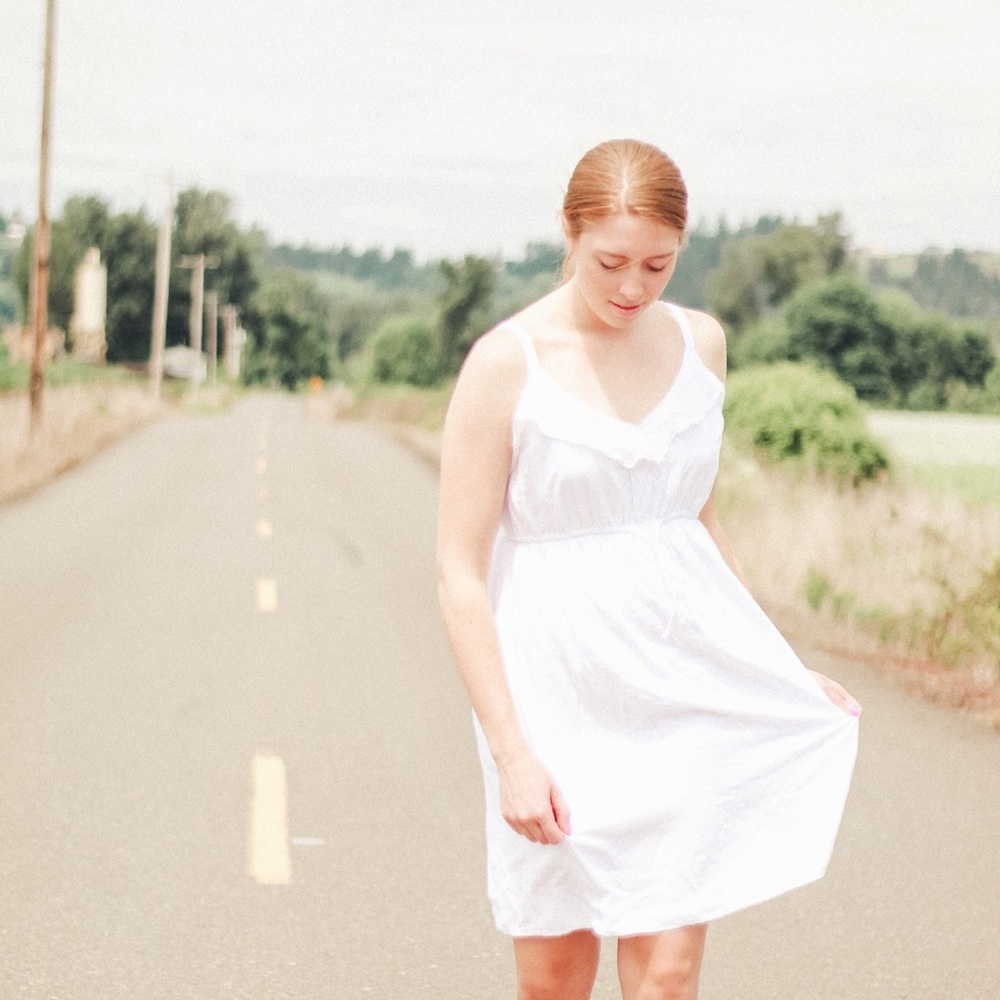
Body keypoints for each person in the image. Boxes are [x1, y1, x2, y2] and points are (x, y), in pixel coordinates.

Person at [436, 139, 860, 1000]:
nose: (633, 288)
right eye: (611, 263)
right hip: (555, 700)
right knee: (555, 978)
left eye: (658, 264)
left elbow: (695, 521)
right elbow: (458, 572)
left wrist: (776, 670)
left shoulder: (702, 344)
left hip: (680, 691)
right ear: (569, 233)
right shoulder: (506, 363)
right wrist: (513, 752)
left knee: (667, 974)